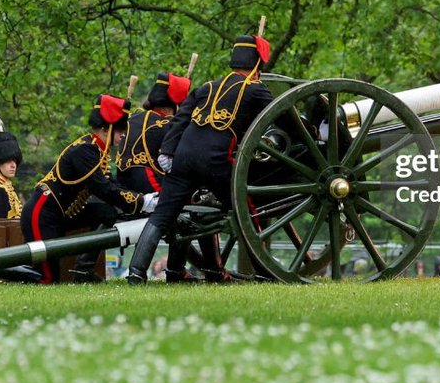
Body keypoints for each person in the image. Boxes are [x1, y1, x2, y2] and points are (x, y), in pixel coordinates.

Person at [127, 34, 276, 284]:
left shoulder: (206, 87)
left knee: (162, 215)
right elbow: (280, 115)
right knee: (246, 209)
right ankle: (265, 271)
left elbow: (181, 120)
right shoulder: (255, 88)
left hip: (183, 158)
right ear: (257, 66)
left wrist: (167, 152)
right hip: (216, 161)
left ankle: (135, 273)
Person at [20, 94, 158, 283]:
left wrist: (140, 197)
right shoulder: (85, 150)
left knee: (106, 213)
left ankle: (83, 269)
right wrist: (141, 202)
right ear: (106, 128)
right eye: (119, 131)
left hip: (62, 214)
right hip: (42, 213)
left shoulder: (98, 150)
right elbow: (103, 188)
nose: (123, 135)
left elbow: (112, 184)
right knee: (46, 278)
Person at [118, 71, 216, 282]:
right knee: (191, 212)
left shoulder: (134, 118)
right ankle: (177, 270)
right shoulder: (167, 125)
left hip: (124, 187)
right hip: (148, 185)